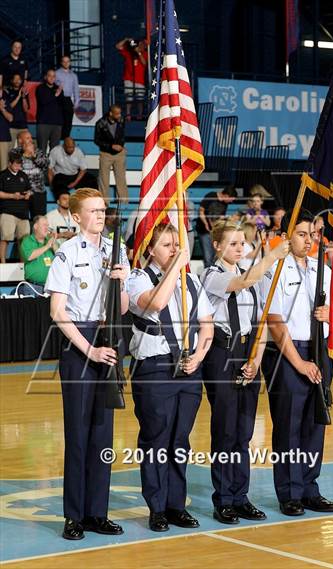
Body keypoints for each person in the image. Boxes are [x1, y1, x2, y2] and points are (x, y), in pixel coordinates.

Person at [45, 188, 130, 540]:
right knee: (78, 434)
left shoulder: (117, 250)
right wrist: (89, 351)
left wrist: (122, 282)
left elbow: (123, 308)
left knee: (102, 432)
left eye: (102, 209)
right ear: (77, 217)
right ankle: (74, 516)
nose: (100, 215)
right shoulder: (67, 253)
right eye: (92, 211)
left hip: (108, 335)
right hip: (78, 343)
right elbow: (57, 312)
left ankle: (98, 512)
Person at [200, 220, 290, 525]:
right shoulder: (212, 275)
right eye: (233, 244)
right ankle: (223, 499)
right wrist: (271, 257)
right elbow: (240, 285)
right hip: (221, 353)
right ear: (216, 246)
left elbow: (260, 320)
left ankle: (241, 496)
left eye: (243, 244)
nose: (240, 249)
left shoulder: (251, 274)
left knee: (244, 430)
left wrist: (257, 359)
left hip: (249, 352)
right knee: (225, 429)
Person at [127, 223, 214, 532]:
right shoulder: (137, 278)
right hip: (155, 368)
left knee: (180, 439)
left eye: (177, 245)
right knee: (156, 438)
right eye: (167, 245)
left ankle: (177, 505)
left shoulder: (190, 280)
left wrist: (200, 357)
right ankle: (157, 507)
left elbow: (207, 325)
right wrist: (175, 267)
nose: (175, 250)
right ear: (150, 249)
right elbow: (156, 303)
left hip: (188, 368)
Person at [261, 209, 333, 517]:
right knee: (289, 427)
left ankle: (310, 489)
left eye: (313, 235)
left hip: (318, 350)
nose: (308, 241)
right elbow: (276, 323)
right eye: (302, 234)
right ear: (287, 235)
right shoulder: (275, 269)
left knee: (314, 425)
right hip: (288, 353)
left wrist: (331, 313)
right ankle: (289, 493)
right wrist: (300, 364)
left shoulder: (324, 271)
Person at [0, 149, 31, 263]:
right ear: (9, 163)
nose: (18, 166)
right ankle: (2, 263)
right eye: (16, 164)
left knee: (24, 241)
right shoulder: (2, 175)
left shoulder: (23, 175)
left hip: (23, 213)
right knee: (5, 238)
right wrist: (12, 196)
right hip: (8, 212)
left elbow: (29, 190)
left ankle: (22, 264)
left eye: (20, 164)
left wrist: (28, 194)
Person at [195, 185, 238, 268]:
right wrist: (206, 223)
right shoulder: (211, 196)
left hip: (215, 231)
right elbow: (201, 211)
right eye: (231, 199)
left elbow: (220, 218)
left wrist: (228, 218)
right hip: (204, 231)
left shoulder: (225, 204)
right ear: (226, 195)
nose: (231, 201)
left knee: (216, 256)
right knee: (208, 257)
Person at [94, 105, 128, 202]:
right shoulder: (100, 123)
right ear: (111, 113)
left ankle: (124, 202)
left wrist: (121, 145)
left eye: (120, 113)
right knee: (104, 179)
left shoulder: (121, 120)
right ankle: (104, 202)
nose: (119, 115)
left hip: (120, 153)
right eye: (117, 113)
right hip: (106, 154)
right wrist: (110, 146)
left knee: (121, 178)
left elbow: (122, 134)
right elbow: (97, 140)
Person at [20, 215, 55, 295]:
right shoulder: (27, 240)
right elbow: (29, 256)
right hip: (32, 286)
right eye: (44, 225)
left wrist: (54, 241)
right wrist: (47, 246)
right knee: (31, 308)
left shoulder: (49, 242)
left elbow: (58, 256)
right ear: (35, 226)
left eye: (48, 225)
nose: (47, 228)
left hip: (49, 286)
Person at [18, 130, 49, 218]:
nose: (31, 140)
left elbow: (45, 164)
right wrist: (24, 154)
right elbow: (14, 168)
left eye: (31, 137)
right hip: (22, 193)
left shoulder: (38, 152)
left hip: (38, 192)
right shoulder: (14, 153)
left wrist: (33, 156)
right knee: (23, 221)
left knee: (39, 220)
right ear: (20, 141)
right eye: (28, 138)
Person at [115, 37, 148, 119]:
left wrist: (139, 53)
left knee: (140, 98)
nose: (140, 46)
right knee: (128, 97)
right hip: (129, 78)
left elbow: (145, 63)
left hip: (140, 80)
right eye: (140, 44)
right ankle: (128, 115)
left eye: (142, 45)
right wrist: (126, 40)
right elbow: (118, 47)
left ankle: (140, 115)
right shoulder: (130, 52)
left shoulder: (145, 54)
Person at [36, 69, 64, 154]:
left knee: (55, 151)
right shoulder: (40, 88)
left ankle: (51, 167)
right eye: (50, 76)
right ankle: (41, 167)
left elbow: (62, 105)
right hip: (44, 122)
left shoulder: (58, 89)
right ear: (45, 77)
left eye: (54, 76)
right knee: (42, 149)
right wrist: (55, 95)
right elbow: (43, 101)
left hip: (56, 123)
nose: (52, 78)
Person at [55, 55, 80, 139]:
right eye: (64, 61)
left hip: (68, 99)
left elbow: (76, 89)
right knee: (59, 120)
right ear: (61, 62)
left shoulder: (73, 75)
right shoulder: (56, 73)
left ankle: (65, 138)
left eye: (68, 61)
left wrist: (76, 103)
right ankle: (57, 138)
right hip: (58, 99)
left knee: (68, 121)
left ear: (70, 63)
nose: (66, 63)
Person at [5, 73, 29, 148]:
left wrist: (23, 97)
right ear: (12, 80)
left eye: (19, 79)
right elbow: (9, 107)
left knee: (24, 150)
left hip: (23, 126)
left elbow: (26, 109)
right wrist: (18, 97)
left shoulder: (24, 92)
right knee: (10, 150)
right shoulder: (8, 92)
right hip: (11, 126)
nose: (17, 81)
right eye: (15, 79)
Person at [0, 94, 13, 171]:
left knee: (3, 166)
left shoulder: (4, 101)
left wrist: (2, 109)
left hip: (3, 138)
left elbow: (10, 118)